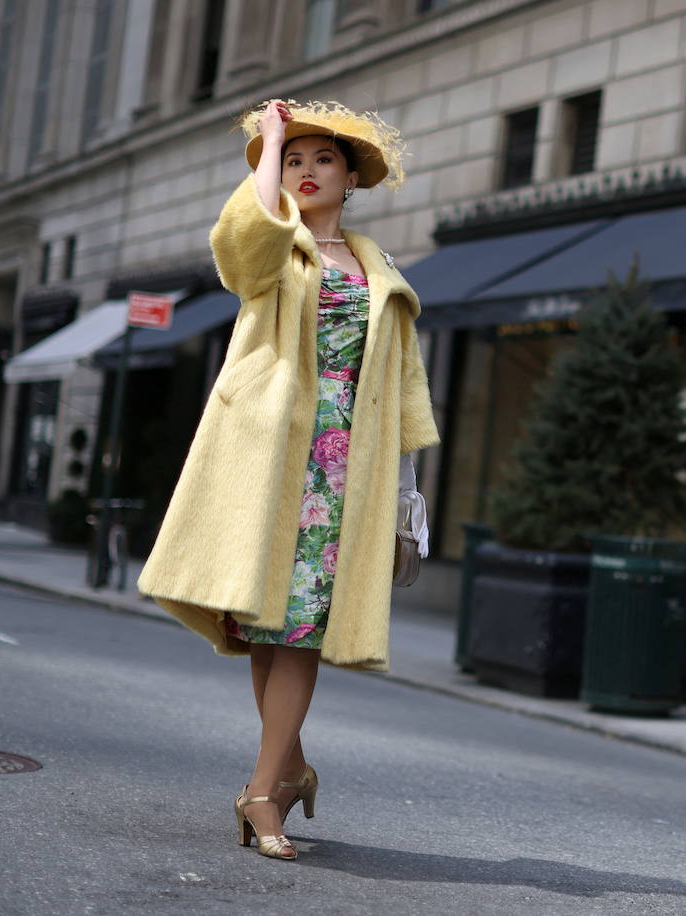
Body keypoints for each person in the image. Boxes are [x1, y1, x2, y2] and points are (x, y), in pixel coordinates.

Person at [138, 99, 440, 859]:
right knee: (268, 630)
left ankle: (264, 790)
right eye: (293, 161)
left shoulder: (382, 273)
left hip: (347, 470)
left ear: (351, 178)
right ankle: (286, 771)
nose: (306, 173)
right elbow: (242, 243)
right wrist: (268, 140)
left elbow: (405, 390)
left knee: (297, 629)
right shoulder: (278, 253)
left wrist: (408, 497)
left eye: (321, 160)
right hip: (270, 464)